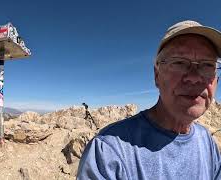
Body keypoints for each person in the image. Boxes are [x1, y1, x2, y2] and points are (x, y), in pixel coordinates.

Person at [77, 20, 221, 179]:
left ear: (217, 80)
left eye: (207, 65)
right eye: (179, 62)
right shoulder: (109, 152)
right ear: (157, 76)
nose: (194, 78)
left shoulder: (206, 141)